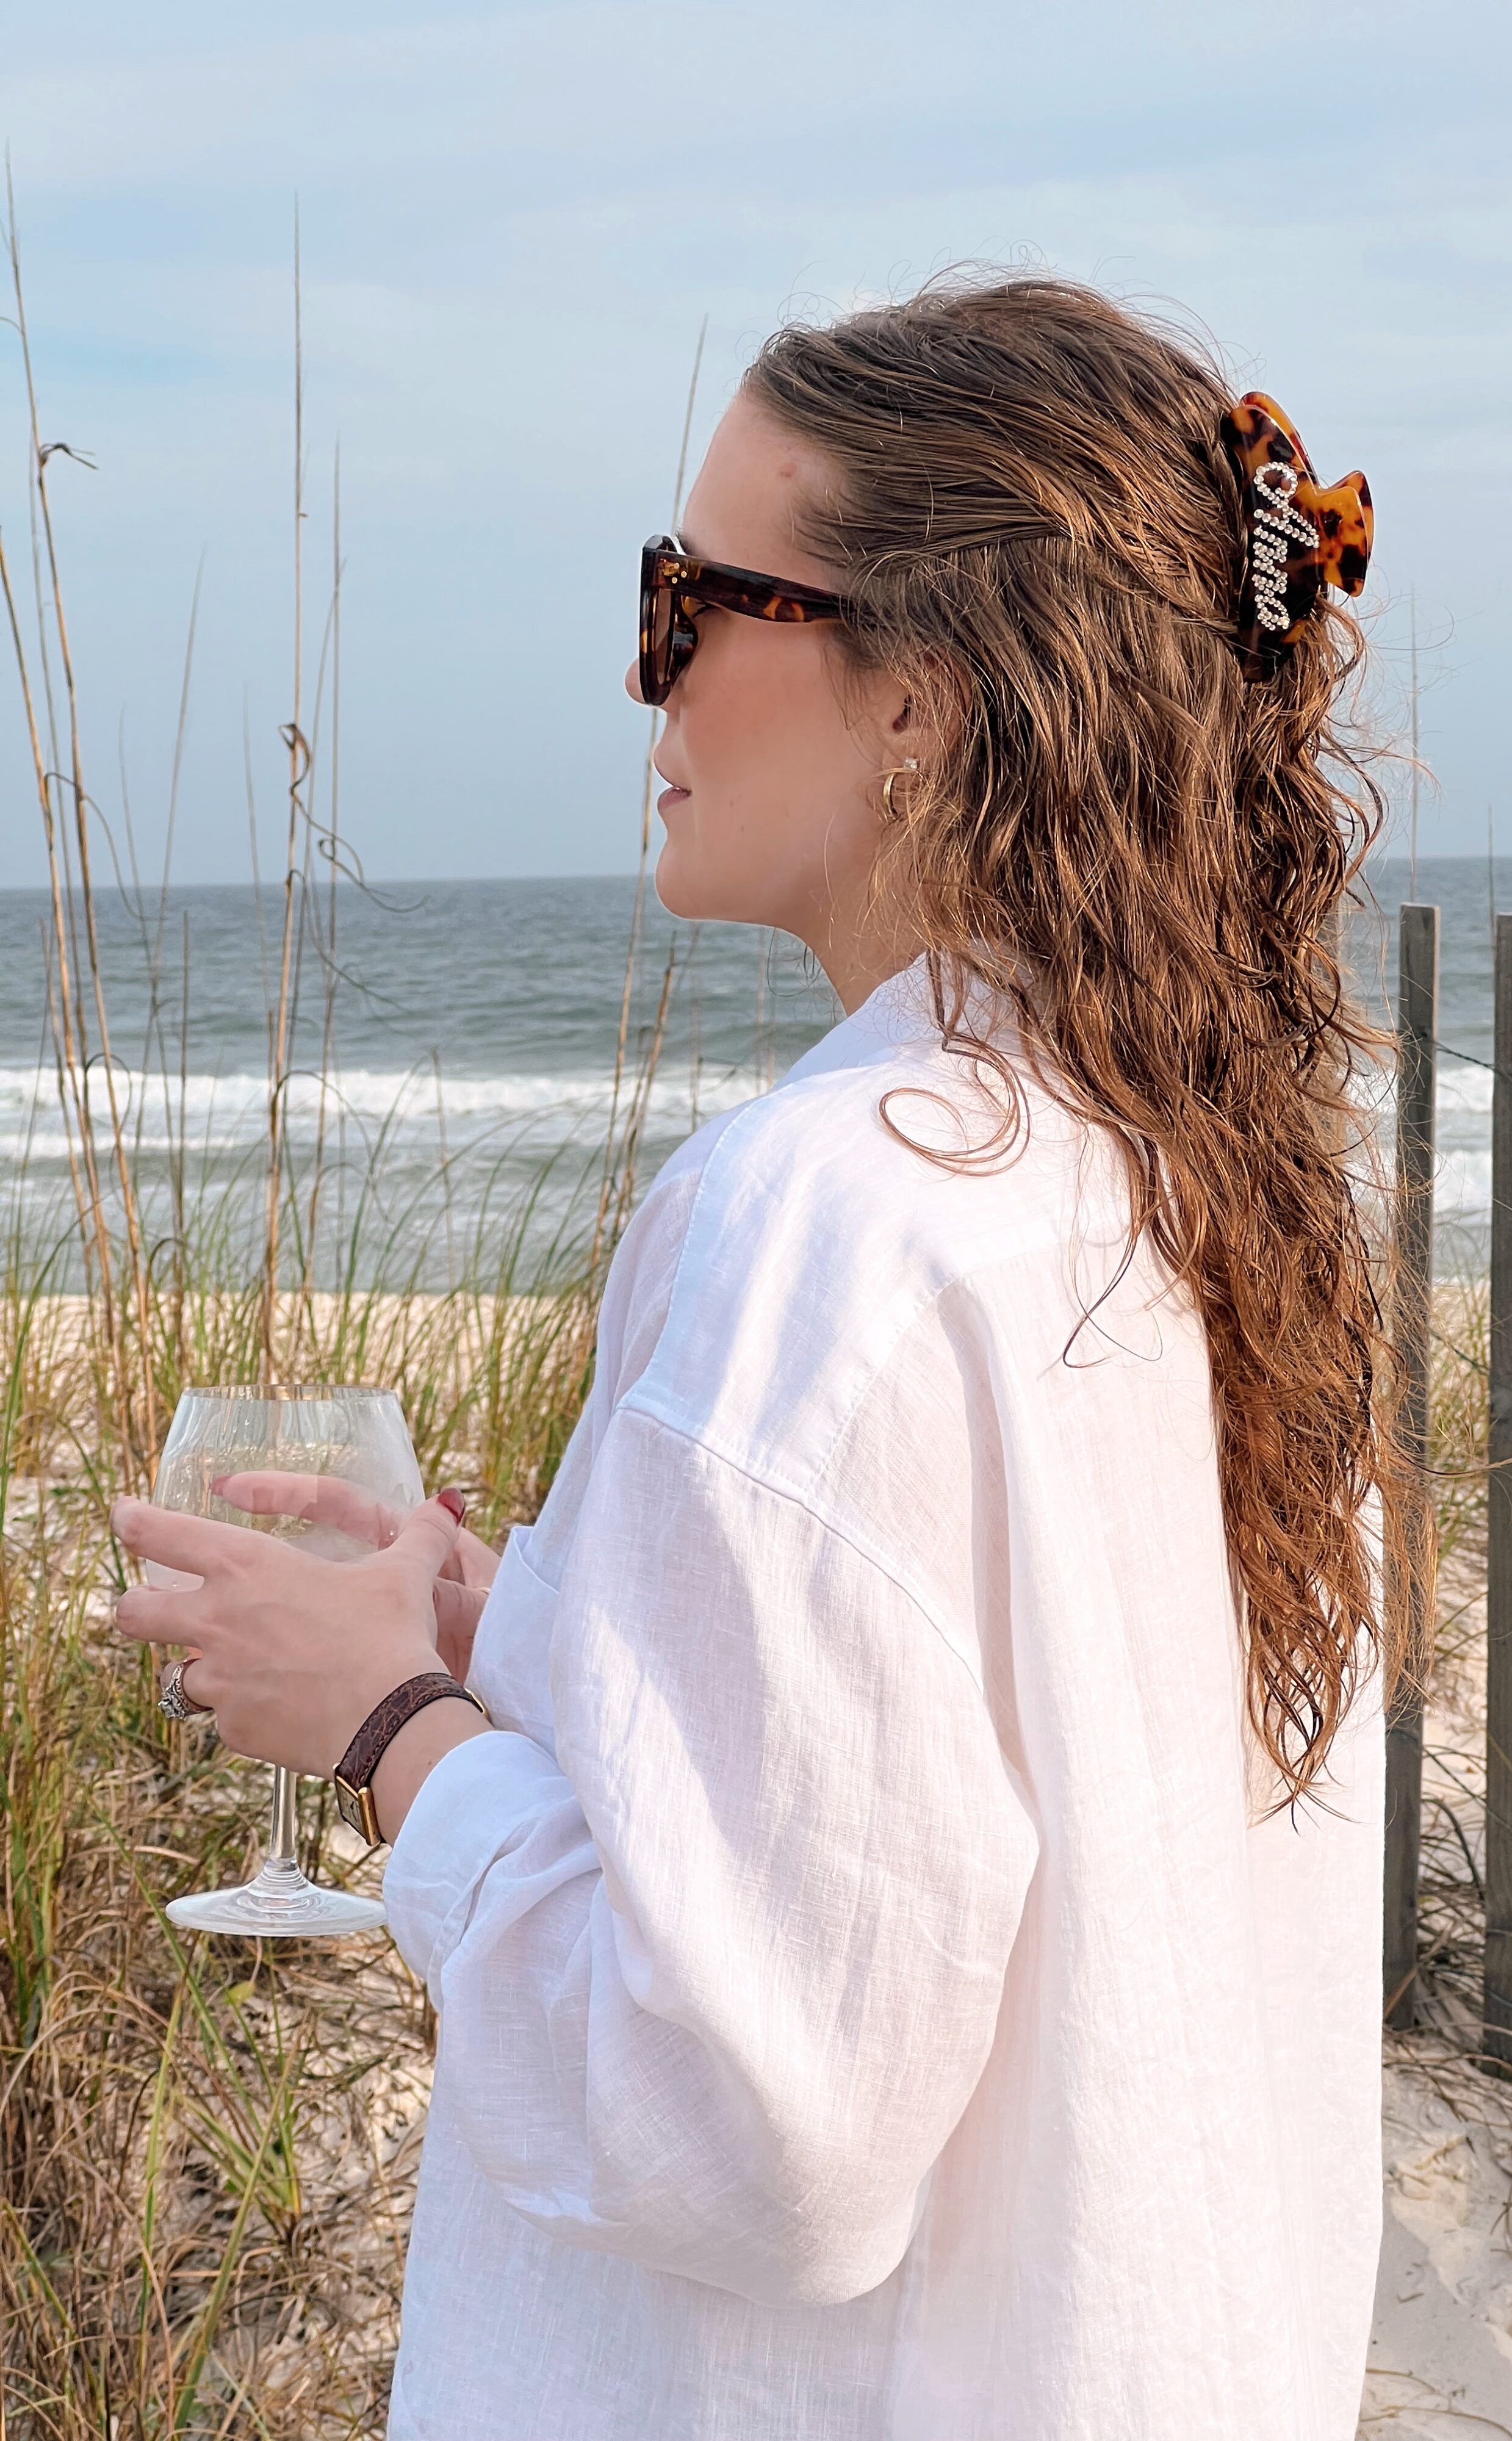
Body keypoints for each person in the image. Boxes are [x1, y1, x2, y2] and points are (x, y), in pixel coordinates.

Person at [115, 276, 1395, 2441]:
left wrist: (393, 1728)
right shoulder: (1172, 1184)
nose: (650, 680)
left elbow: (746, 2132)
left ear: (931, 694)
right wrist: (518, 1627)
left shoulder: (829, 1213)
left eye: (694, 601)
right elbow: (950, 1821)